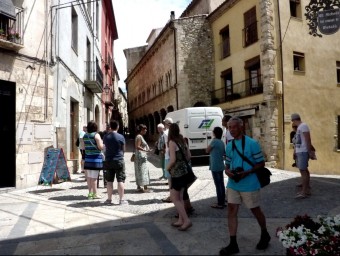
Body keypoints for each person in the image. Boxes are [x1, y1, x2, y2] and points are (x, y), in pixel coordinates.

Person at [220, 117, 270, 256]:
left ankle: (265, 233)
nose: (231, 130)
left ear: (241, 127)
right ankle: (233, 244)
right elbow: (228, 164)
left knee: (255, 210)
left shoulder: (252, 143)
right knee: (231, 211)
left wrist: (246, 172)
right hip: (233, 183)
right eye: (229, 127)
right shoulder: (229, 145)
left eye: (234, 127)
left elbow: (261, 163)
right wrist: (227, 171)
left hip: (250, 183)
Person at [166, 123, 195, 231]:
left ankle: (186, 220)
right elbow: (189, 156)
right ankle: (181, 220)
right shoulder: (182, 140)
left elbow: (172, 160)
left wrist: (167, 168)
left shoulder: (172, 142)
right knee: (181, 197)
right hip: (184, 172)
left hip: (177, 173)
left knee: (174, 198)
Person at [103, 120, 128, 205]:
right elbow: (124, 149)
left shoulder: (106, 137)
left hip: (108, 160)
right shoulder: (121, 137)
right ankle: (121, 200)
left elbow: (105, 148)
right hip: (118, 160)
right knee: (120, 180)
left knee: (109, 180)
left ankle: (109, 199)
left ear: (110, 127)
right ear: (118, 127)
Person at [291, 113, 315, 199]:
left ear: (293, 120)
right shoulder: (301, 127)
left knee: (303, 171)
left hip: (303, 152)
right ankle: (306, 189)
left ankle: (304, 192)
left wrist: (309, 152)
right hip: (300, 152)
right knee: (304, 171)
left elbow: (308, 139)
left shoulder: (303, 126)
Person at [83, 120, 104, 200]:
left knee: (89, 177)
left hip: (87, 159)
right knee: (94, 178)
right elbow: (100, 147)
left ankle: (90, 193)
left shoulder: (85, 135)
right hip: (95, 159)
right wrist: (102, 144)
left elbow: (84, 147)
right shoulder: (96, 135)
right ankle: (95, 194)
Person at [206, 126, 226, 209]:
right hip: (221, 164)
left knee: (217, 185)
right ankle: (223, 201)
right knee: (221, 184)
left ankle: (220, 203)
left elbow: (207, 150)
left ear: (215, 133)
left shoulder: (214, 141)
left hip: (215, 165)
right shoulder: (221, 142)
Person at [134, 124, 152, 192]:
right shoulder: (139, 137)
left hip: (139, 156)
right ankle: (145, 188)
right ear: (141, 130)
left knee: (139, 171)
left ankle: (139, 186)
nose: (146, 130)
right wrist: (146, 150)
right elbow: (137, 146)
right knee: (143, 171)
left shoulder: (140, 136)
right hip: (141, 156)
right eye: (144, 129)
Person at [161, 117, 173, 203]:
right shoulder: (175, 132)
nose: (164, 125)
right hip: (173, 156)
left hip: (168, 156)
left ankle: (171, 196)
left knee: (169, 178)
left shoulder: (165, 133)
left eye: (165, 123)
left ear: (167, 124)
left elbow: (167, 145)